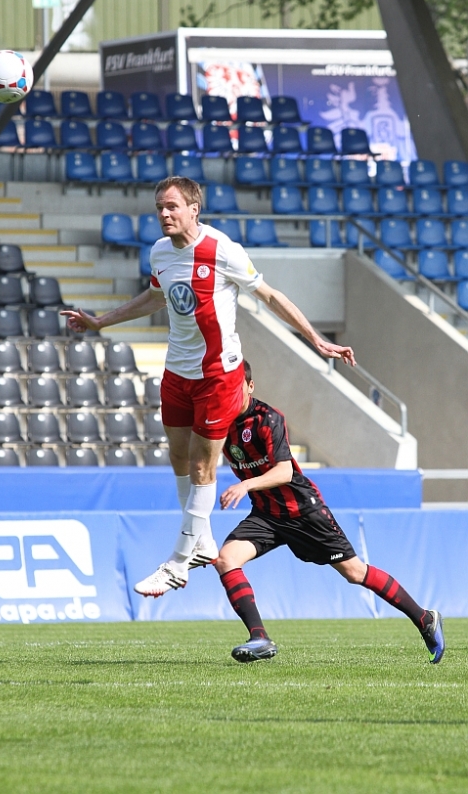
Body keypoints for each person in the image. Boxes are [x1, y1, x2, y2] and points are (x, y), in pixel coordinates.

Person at [61, 176, 356, 597]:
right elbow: (154, 297)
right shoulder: (160, 252)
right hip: (177, 372)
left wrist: (316, 339)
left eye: (172, 207)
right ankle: (201, 541)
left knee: (203, 465)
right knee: (178, 458)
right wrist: (100, 322)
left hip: (218, 375)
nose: (164, 214)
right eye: (159, 207)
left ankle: (178, 562)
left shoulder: (222, 250)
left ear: (193, 209)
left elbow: (270, 296)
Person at [213, 360, 445, 664]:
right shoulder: (218, 423)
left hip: (302, 511)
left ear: (250, 386)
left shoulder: (268, 419)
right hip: (266, 515)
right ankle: (259, 637)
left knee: (355, 573)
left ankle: (425, 618)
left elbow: (284, 471)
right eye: (225, 388)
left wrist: (245, 485)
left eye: (236, 386)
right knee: (226, 559)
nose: (230, 393)